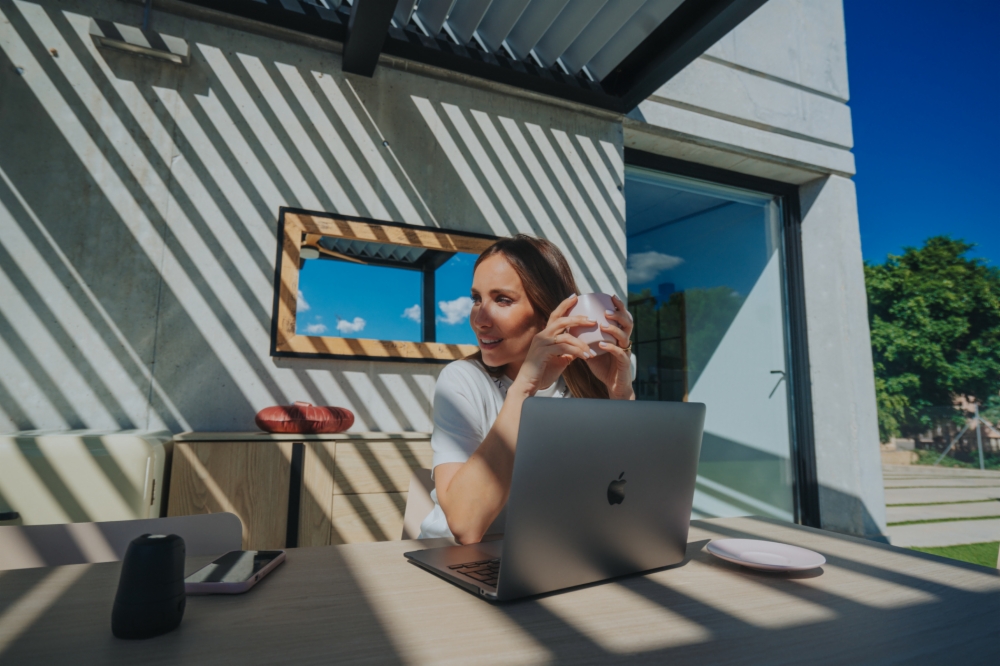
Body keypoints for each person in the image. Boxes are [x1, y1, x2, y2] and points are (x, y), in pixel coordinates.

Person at [419, 235, 635, 544]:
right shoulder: (462, 380)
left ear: (548, 311)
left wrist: (620, 396)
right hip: (451, 559)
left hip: (544, 554)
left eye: (502, 300)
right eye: (476, 299)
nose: (479, 319)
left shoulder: (581, 385)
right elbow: (465, 526)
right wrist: (523, 390)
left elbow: (628, 500)